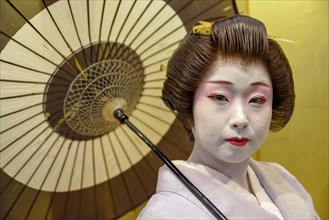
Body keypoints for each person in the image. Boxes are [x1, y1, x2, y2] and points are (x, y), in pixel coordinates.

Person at [138, 15, 319, 219]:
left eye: (257, 100)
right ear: (188, 108)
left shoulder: (283, 180)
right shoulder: (165, 213)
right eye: (219, 97)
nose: (240, 119)